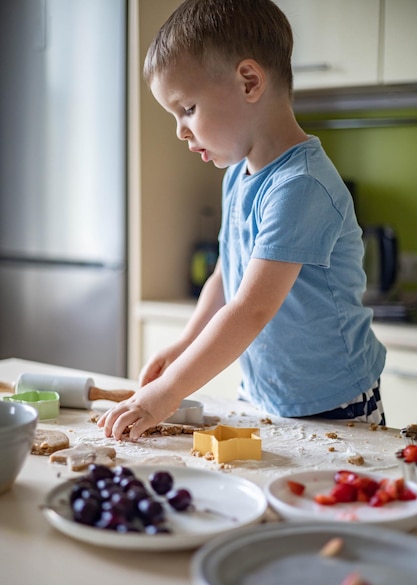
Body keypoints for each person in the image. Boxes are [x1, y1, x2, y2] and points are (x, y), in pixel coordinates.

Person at [98, 0, 386, 442]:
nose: (180, 130)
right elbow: (225, 277)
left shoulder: (300, 184)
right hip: (263, 395)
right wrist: (183, 347)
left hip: (334, 406)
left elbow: (251, 309)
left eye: (188, 108)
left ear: (249, 81)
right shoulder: (238, 175)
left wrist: (164, 394)